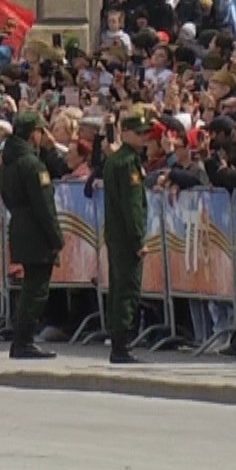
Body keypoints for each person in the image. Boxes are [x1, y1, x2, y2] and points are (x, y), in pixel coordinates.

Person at [0, 111, 64, 360]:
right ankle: (24, 341)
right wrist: (56, 238)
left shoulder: (8, 163)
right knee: (36, 288)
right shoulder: (32, 165)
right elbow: (44, 205)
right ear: (32, 133)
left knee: (29, 286)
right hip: (36, 230)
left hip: (19, 223)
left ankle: (21, 339)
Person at [103, 107, 155, 364]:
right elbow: (132, 205)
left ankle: (118, 342)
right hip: (126, 237)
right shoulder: (127, 163)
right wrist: (138, 240)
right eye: (139, 132)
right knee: (127, 290)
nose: (144, 137)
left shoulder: (115, 160)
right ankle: (121, 346)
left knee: (118, 287)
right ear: (126, 133)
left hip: (115, 234)